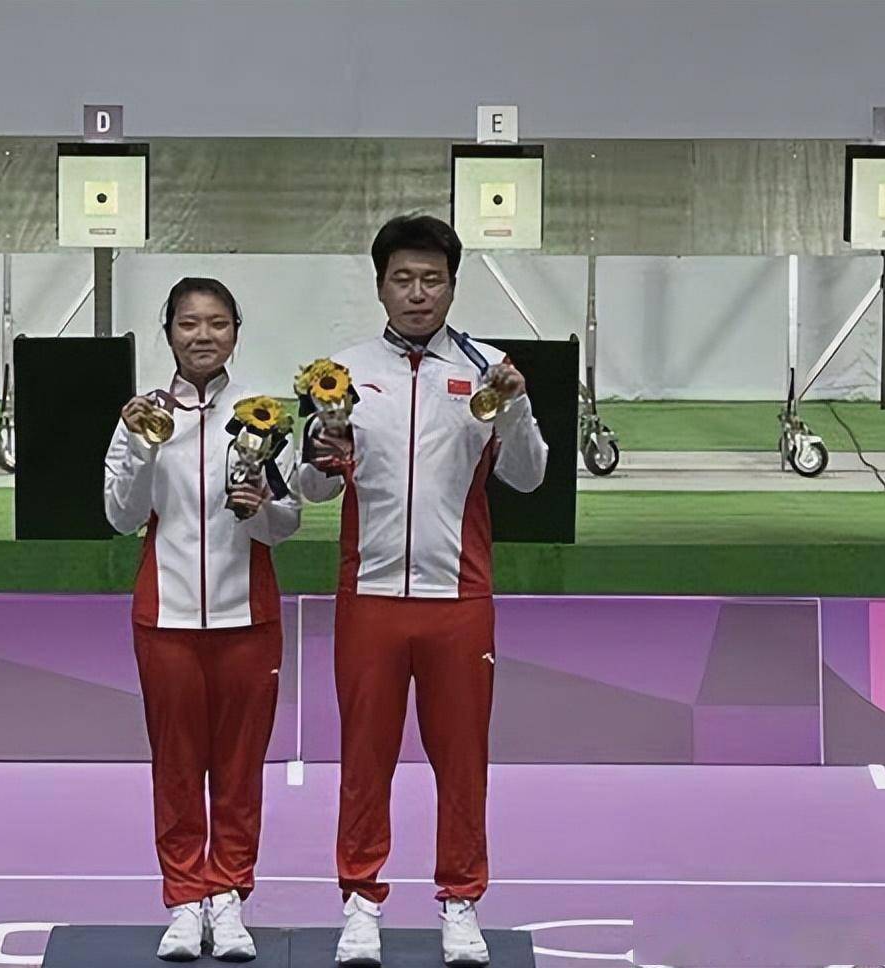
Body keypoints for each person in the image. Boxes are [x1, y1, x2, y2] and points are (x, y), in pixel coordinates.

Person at [299, 215, 549, 966]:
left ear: (452, 286)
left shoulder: (488, 369)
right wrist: (319, 450)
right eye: (403, 279)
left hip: (459, 599)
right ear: (380, 286)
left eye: (431, 279)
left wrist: (516, 405)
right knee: (363, 760)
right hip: (369, 595)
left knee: (462, 761)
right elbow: (313, 489)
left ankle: (461, 903)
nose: (417, 293)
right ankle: (360, 904)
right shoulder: (340, 374)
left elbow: (529, 475)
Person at [105, 277, 301, 962]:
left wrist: (262, 510)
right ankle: (185, 900)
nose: (203, 336)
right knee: (177, 768)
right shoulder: (141, 417)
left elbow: (287, 522)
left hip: (249, 619)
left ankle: (229, 896)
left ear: (236, 333)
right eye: (189, 323)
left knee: (240, 769)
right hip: (166, 620)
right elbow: (121, 516)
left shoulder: (262, 417)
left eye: (218, 323)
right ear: (168, 334)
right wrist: (141, 446)